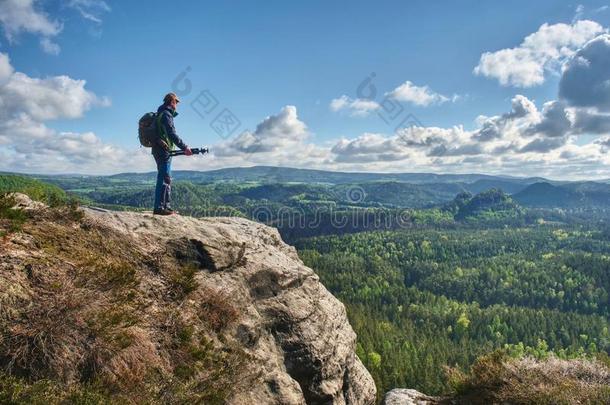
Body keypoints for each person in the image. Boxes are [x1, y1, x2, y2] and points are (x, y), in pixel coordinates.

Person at [152, 92, 192, 215]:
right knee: (164, 178)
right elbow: (171, 134)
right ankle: (160, 208)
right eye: (176, 103)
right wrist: (184, 147)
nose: (177, 106)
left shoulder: (160, 113)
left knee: (165, 178)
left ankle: (165, 206)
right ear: (172, 102)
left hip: (159, 149)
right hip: (163, 150)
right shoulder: (166, 115)